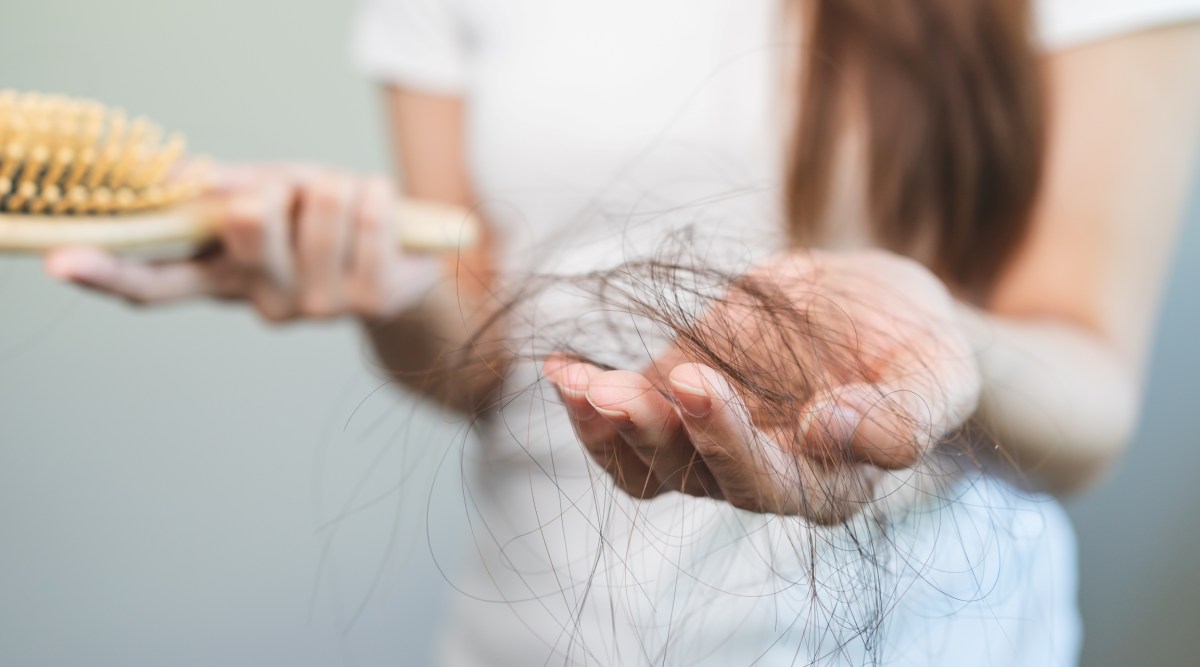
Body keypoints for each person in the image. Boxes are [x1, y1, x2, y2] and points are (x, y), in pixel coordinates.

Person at [42, 0, 1200, 664]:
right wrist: (394, 284)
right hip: (530, 628)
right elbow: (485, 357)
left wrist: (952, 338)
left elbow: (1090, 399)